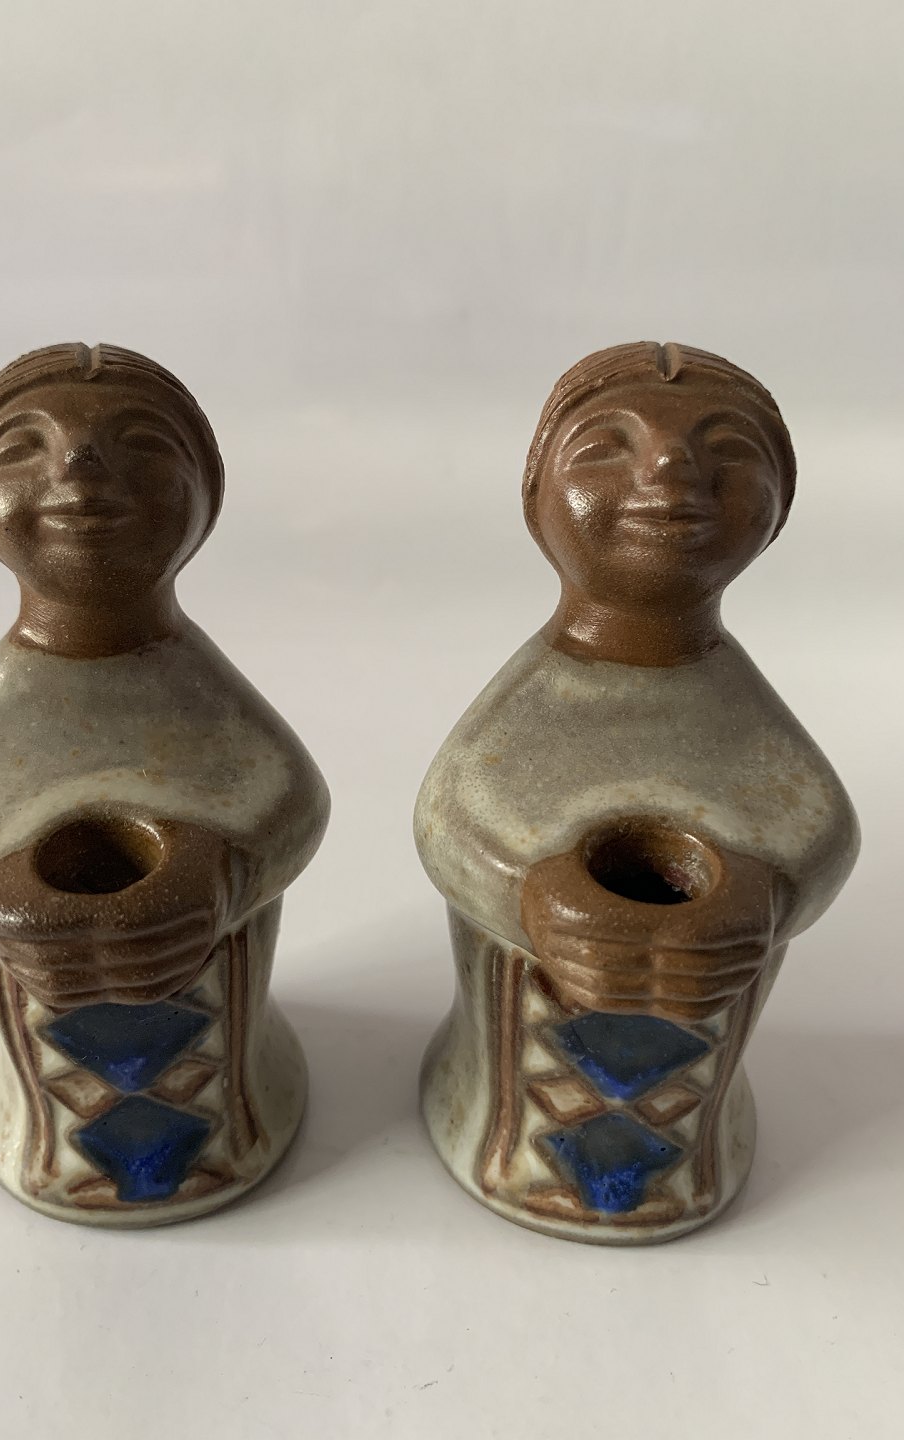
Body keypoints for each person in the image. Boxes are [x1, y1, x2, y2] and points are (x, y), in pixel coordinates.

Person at [414, 342, 859, 1242]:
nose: (671, 472)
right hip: (515, 1069)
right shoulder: (536, 697)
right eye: (606, 448)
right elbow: (448, 817)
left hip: (695, 1096)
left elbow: (823, 830)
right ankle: (507, 1141)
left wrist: (763, 894)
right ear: (539, 502)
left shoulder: (739, 708)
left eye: (728, 450)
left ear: (776, 512)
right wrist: (534, 893)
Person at [0, 343, 329, 1223]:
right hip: (47, 1070)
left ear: (205, 501)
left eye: (143, 446)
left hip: (219, 1041)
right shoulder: (2, 699)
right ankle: (64, 1148)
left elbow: (292, 799)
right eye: (23, 447)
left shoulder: (196, 686)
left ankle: (218, 1130)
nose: (82, 467)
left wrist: (222, 870)